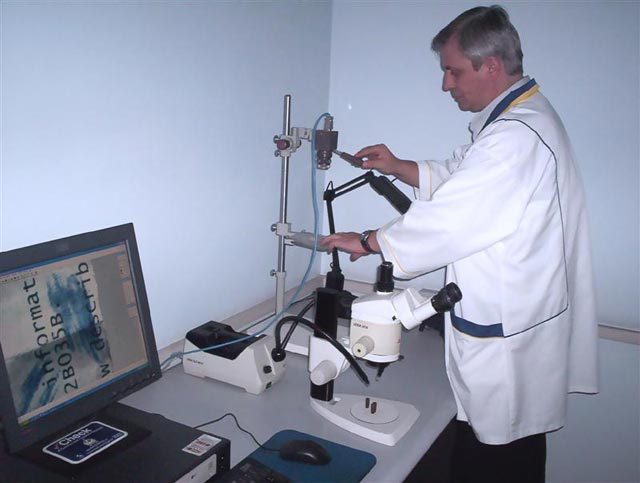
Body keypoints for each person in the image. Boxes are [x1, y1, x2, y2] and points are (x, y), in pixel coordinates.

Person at [321, 5, 598, 482]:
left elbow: (452, 219)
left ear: (489, 66)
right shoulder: (519, 121)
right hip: (517, 325)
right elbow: (463, 176)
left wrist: (368, 242)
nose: (445, 84)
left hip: (507, 342)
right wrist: (399, 167)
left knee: (495, 463)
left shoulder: (515, 137)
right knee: (501, 452)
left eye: (453, 71)